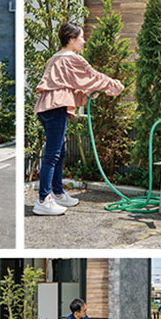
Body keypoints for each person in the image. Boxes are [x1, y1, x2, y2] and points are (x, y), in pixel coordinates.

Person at [33, 22, 124, 216]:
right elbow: (92, 76)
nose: (84, 41)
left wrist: (93, 90)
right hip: (56, 107)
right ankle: (43, 199)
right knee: (52, 154)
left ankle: (57, 192)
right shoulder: (73, 59)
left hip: (46, 108)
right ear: (72, 39)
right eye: (81, 38)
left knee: (59, 152)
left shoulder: (54, 58)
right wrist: (113, 84)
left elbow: (71, 85)